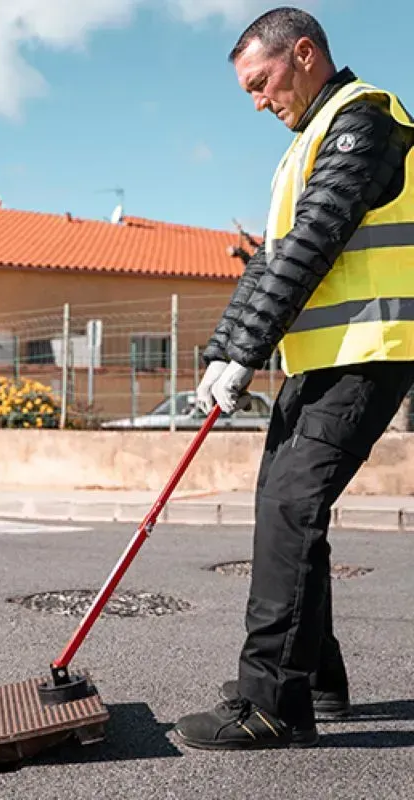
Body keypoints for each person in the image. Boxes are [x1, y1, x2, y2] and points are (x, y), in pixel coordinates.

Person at [173, 6, 414, 750]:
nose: (257, 101)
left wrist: (247, 349)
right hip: (321, 357)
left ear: (303, 54)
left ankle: (272, 701)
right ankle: (312, 678)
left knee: (289, 510)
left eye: (261, 82)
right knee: (281, 509)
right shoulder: (309, 140)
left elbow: (316, 239)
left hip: (372, 348)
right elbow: (274, 260)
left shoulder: (363, 121)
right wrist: (225, 350)